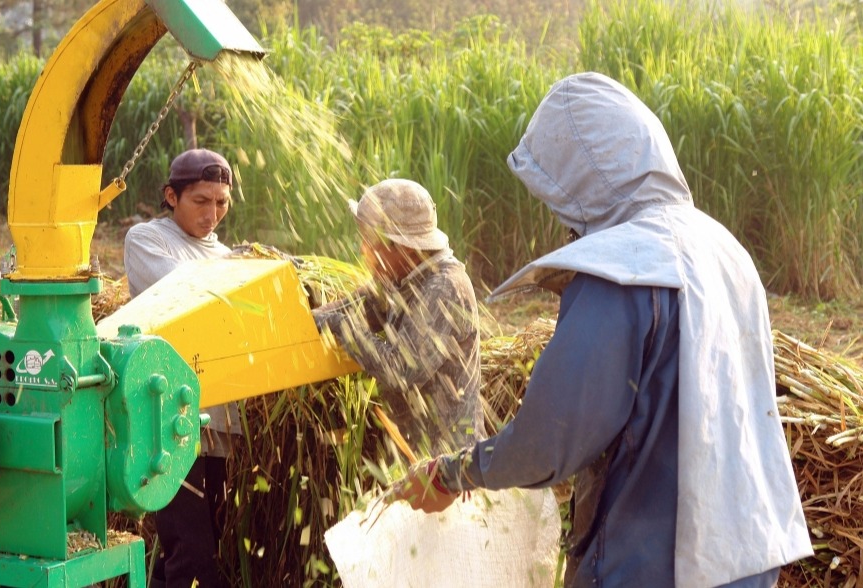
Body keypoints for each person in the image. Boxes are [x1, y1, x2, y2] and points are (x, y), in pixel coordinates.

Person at [392, 72, 813, 587]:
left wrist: (453, 474)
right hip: (746, 554)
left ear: (582, 178)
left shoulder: (625, 270)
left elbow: (550, 442)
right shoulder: (724, 249)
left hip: (652, 566)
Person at [124, 147, 240, 588]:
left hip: (219, 422)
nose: (212, 214)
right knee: (191, 551)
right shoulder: (147, 240)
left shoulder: (227, 255)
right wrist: (243, 273)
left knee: (197, 545)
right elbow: (184, 294)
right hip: (168, 420)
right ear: (171, 196)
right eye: (201, 201)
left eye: (222, 203)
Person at [312, 178, 486, 458]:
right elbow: (352, 309)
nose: (362, 251)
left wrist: (341, 327)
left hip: (452, 465)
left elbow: (401, 370)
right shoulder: (401, 279)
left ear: (402, 247)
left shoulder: (445, 287)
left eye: (369, 242)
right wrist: (303, 319)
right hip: (414, 457)